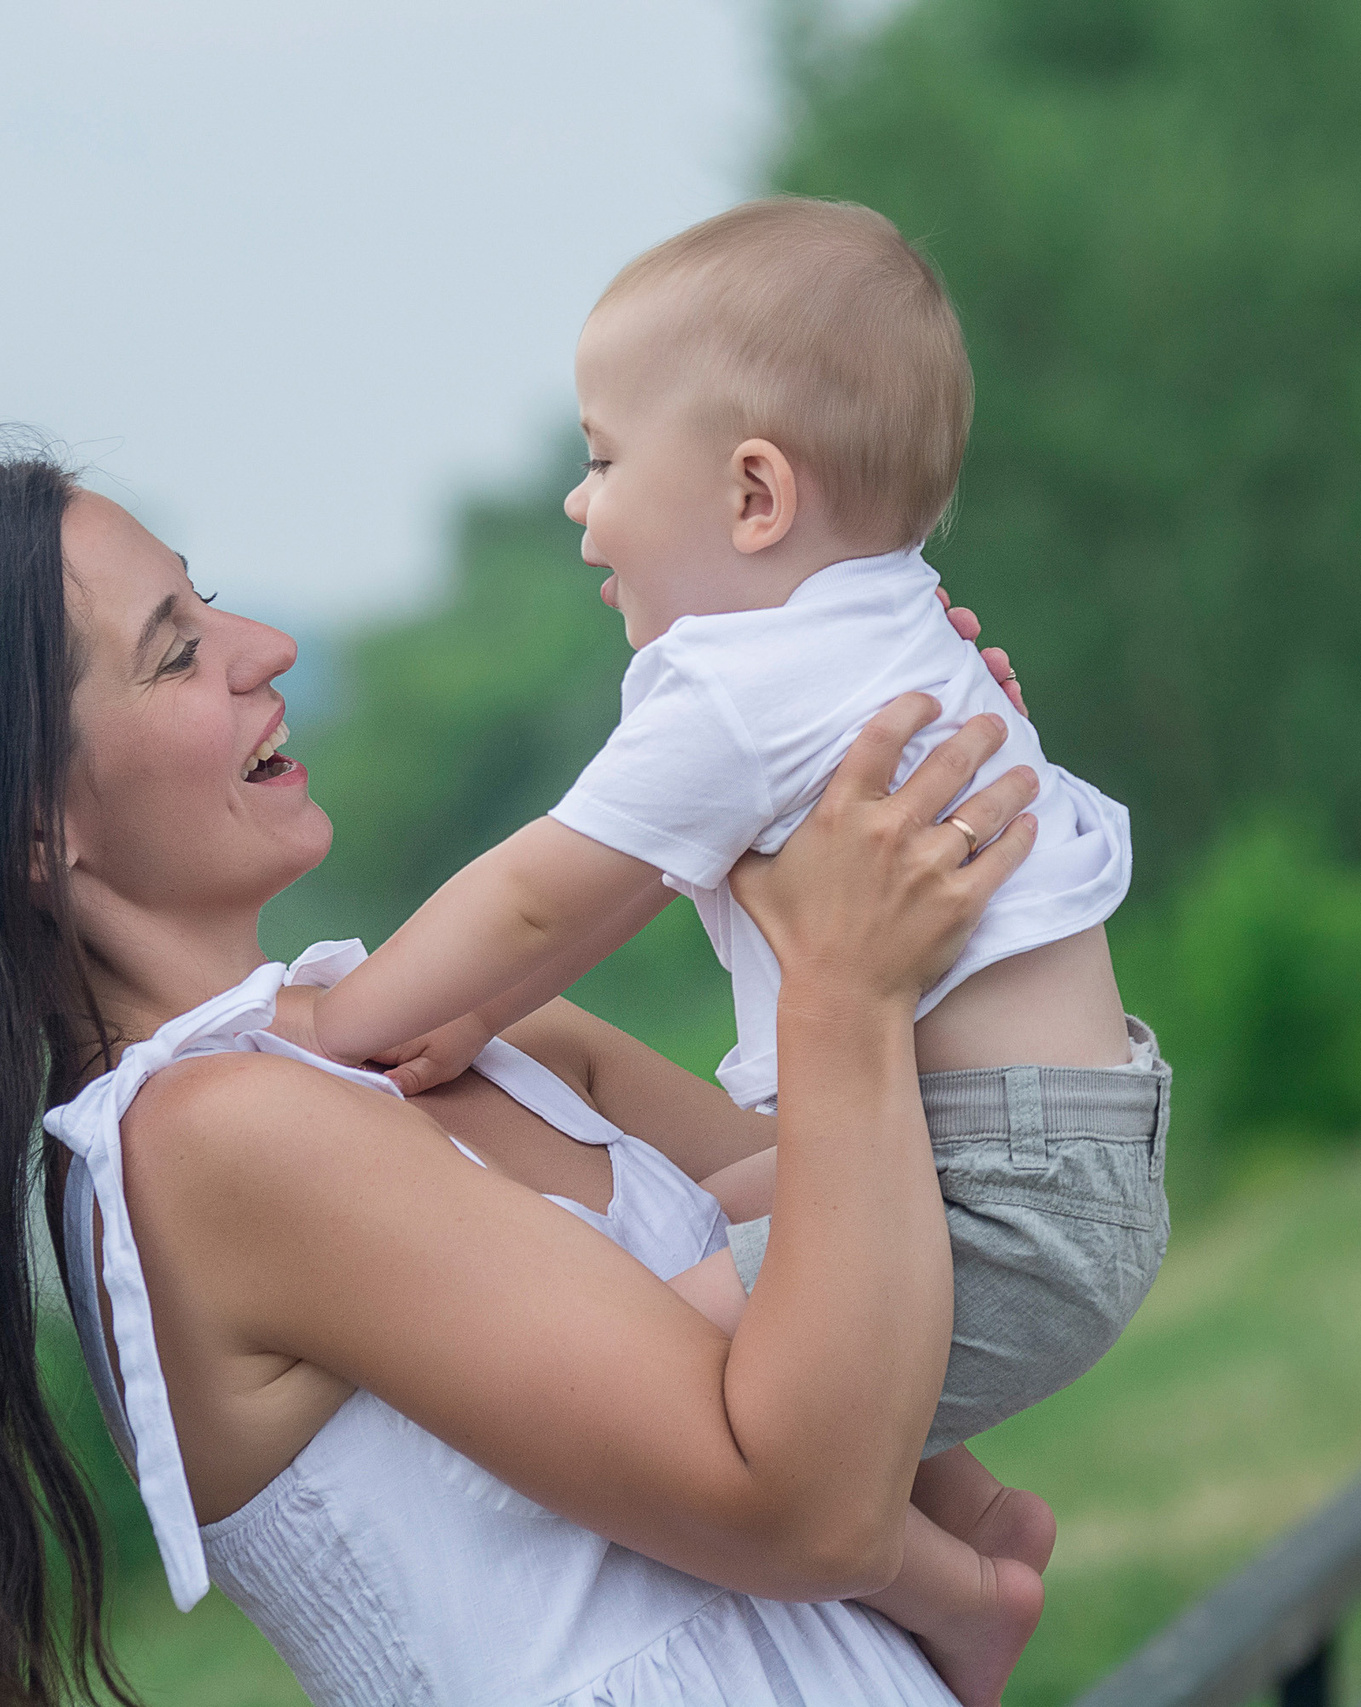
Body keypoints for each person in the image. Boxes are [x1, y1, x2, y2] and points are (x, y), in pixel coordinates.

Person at [0, 446, 1055, 1707]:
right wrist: (842, 989)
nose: (264, 650)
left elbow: (901, 1234)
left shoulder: (459, 1039)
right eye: (175, 654)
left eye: (211, 608)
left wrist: (887, 805)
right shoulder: (213, 1141)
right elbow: (801, 1508)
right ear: (37, 829)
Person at [283, 198, 1171, 1689]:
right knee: (694, 1221)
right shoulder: (893, 629)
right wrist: (463, 1018)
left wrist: (350, 1020)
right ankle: (978, 1526)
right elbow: (604, 905)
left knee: (680, 1384)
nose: (581, 506)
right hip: (1060, 1147)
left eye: (605, 458)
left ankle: (952, 1589)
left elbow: (543, 895)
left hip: (996, 1190)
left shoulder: (734, 684)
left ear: (755, 493)